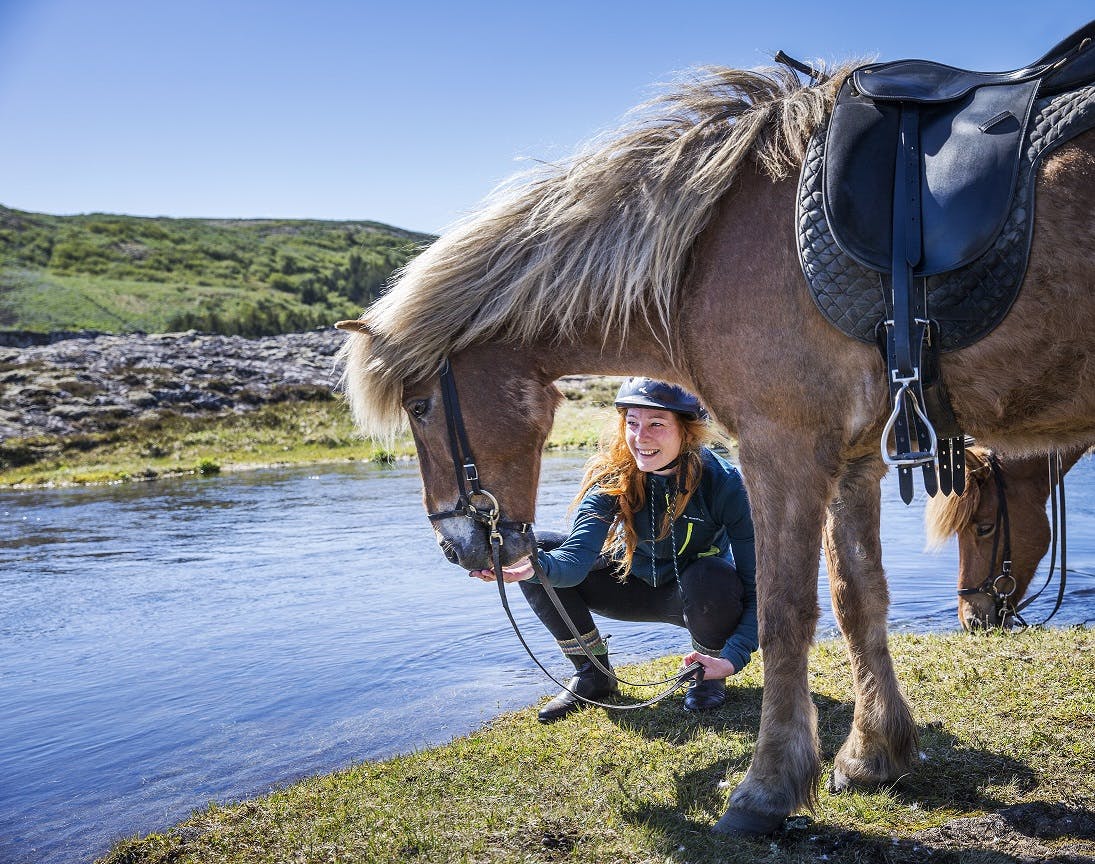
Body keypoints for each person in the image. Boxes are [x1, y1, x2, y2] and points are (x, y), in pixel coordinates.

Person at [470, 377, 758, 723]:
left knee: (713, 575)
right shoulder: (612, 474)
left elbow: (760, 585)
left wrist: (733, 655)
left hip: (698, 596)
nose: (641, 437)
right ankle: (593, 675)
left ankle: (706, 670)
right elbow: (576, 559)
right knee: (537, 549)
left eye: (656, 424)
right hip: (627, 582)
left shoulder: (726, 484)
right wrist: (532, 567)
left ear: (688, 431)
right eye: (632, 424)